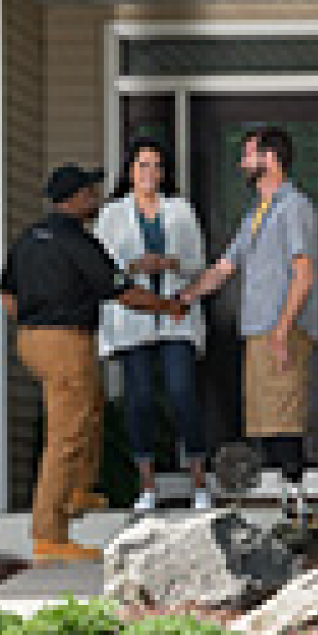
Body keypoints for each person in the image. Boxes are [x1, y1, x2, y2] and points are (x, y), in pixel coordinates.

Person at [0, 162, 174, 562]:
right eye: (89, 193)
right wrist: (168, 306)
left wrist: (34, 322)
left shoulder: (29, 239)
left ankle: (77, 491)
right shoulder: (75, 241)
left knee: (89, 407)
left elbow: (7, 294)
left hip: (32, 338)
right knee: (66, 435)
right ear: (75, 199)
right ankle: (49, 536)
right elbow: (122, 291)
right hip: (64, 341)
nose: (94, 199)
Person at [93, 139, 215, 511]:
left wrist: (170, 264)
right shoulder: (112, 214)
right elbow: (101, 267)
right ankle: (147, 485)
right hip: (133, 318)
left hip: (175, 314)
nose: (151, 173)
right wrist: (133, 267)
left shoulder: (180, 210)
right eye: (143, 165)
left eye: (157, 166)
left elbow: (199, 263)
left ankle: (198, 481)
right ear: (129, 170)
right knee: (140, 399)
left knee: (182, 393)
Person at [200, 124, 318, 484]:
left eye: (248, 155)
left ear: (270, 159)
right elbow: (225, 266)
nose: (241, 163)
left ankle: (298, 507)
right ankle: (285, 507)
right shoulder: (258, 211)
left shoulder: (293, 207)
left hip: (280, 329)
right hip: (258, 331)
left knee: (284, 424)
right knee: (267, 424)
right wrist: (181, 299)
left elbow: (303, 274)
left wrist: (283, 331)